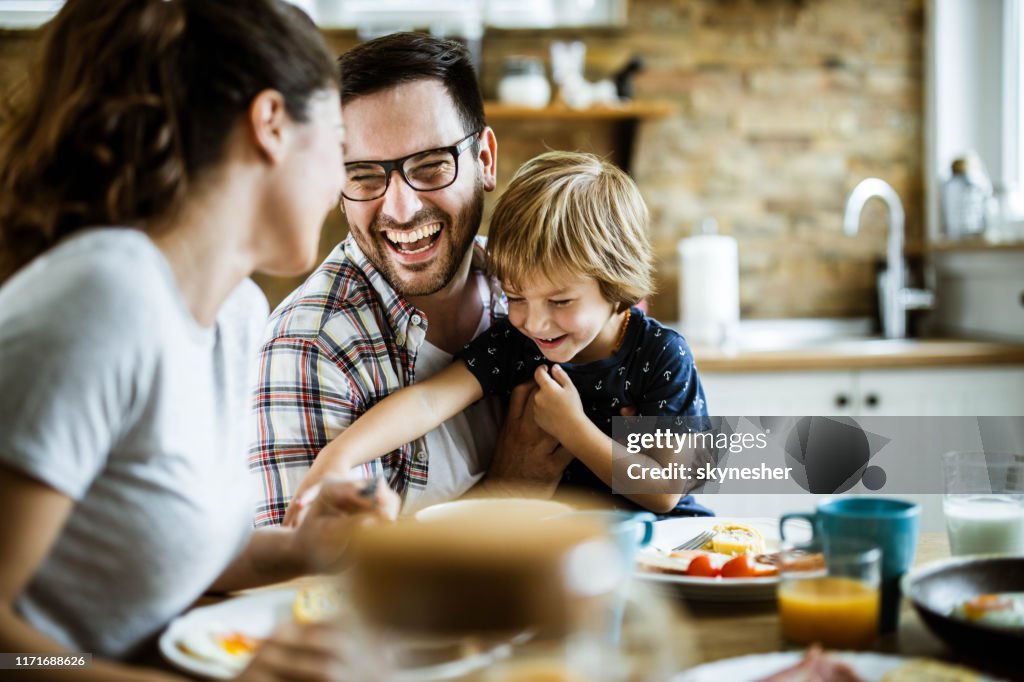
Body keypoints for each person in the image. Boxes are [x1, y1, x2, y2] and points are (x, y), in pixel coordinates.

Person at [0, 1, 397, 680]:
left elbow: (152, 548)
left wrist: (301, 549)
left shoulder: (237, 314)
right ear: (271, 123)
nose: (340, 184)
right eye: (338, 143)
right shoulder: (105, 298)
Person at [251, 32, 571, 525]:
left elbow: (700, 472)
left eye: (431, 166)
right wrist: (511, 490)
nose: (400, 209)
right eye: (363, 175)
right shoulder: (310, 346)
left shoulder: (546, 292)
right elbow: (317, 591)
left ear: (484, 160)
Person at [285, 151, 714, 516]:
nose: (535, 322)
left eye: (560, 302)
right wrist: (338, 457)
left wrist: (573, 427)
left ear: (618, 286)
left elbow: (663, 491)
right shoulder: (516, 343)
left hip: (666, 547)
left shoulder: (660, 354)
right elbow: (429, 400)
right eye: (516, 297)